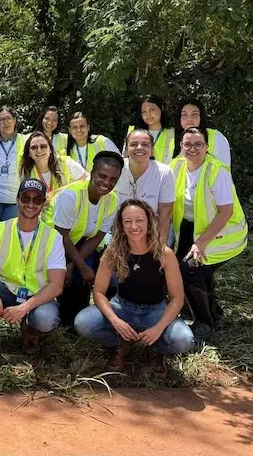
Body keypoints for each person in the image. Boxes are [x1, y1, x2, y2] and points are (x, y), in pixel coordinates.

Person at [75, 200, 195, 373]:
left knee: (184, 339)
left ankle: (156, 348)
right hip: (122, 307)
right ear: (121, 226)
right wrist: (115, 321)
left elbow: (177, 299)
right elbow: (99, 292)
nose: (134, 226)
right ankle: (119, 344)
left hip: (155, 310)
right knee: (83, 323)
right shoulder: (113, 251)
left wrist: (158, 327)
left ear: (149, 222)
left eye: (139, 220)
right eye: (127, 221)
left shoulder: (165, 253)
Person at [0, 179, 67, 368]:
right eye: (25, 198)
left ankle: (30, 335)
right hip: (5, 291)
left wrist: (24, 308)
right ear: (17, 200)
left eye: (37, 200)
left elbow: (56, 285)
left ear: (43, 204)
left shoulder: (53, 237)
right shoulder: (1, 228)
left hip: (36, 297)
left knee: (46, 318)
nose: (30, 204)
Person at [170, 128, 247, 341]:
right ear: (181, 147)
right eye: (187, 144)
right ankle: (214, 313)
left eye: (198, 144)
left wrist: (201, 243)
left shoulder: (216, 171)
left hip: (224, 235)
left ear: (206, 147)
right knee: (197, 272)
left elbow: (226, 211)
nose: (192, 149)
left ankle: (205, 325)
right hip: (193, 229)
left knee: (189, 272)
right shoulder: (176, 166)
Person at [53, 151, 123, 327]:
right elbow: (61, 235)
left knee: (82, 280)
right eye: (102, 176)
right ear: (92, 172)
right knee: (68, 281)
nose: (107, 182)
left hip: (84, 244)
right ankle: (62, 322)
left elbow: (98, 236)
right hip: (55, 242)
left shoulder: (112, 200)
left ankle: (79, 321)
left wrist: (75, 265)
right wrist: (79, 266)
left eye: (113, 179)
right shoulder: (71, 195)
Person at [114, 129, 175, 243]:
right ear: (126, 150)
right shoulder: (116, 169)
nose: (139, 147)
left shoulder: (164, 173)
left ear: (152, 151)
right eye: (133, 144)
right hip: (118, 231)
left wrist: (161, 246)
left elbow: (164, 213)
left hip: (152, 232)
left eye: (145, 144)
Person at [19, 131, 88, 227]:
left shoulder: (65, 163)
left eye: (43, 146)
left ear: (50, 149)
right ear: (29, 153)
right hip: (41, 223)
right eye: (34, 147)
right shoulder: (26, 170)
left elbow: (87, 180)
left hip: (68, 220)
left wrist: (58, 192)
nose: (39, 150)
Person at [172, 98, 232, 167]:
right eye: (184, 115)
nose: (189, 119)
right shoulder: (172, 138)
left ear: (201, 117)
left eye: (194, 114)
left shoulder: (216, 137)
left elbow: (224, 171)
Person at [123, 95, 175, 165]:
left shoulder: (173, 133)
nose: (148, 114)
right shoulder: (133, 131)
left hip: (164, 174)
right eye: (144, 111)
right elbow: (125, 158)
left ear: (161, 109)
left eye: (152, 110)